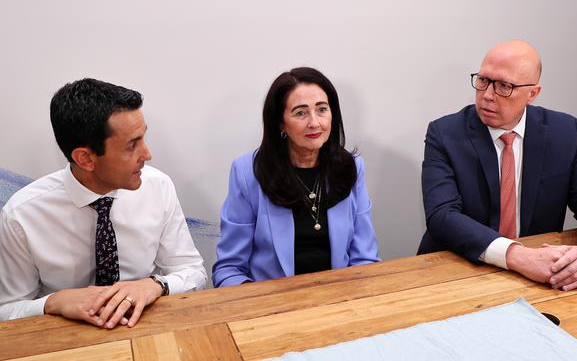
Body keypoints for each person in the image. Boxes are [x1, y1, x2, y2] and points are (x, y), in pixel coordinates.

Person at [418, 40, 577, 291]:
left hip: (538, 278)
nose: (487, 95)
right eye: (483, 80)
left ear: (532, 94)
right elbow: (442, 216)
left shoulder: (564, 132)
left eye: (504, 86)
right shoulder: (445, 133)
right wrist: (517, 256)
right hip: (457, 271)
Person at [0, 78, 207, 327]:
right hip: (65, 342)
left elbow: (193, 271)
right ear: (86, 158)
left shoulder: (157, 186)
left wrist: (154, 285)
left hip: (146, 330)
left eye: (143, 138)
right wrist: (54, 302)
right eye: (132, 145)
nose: (147, 154)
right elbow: (7, 310)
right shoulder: (22, 214)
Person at [213, 67, 380, 287]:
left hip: (341, 300)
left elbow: (365, 259)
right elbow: (229, 269)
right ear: (280, 122)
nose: (314, 122)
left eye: (322, 109)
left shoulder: (351, 167)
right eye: (300, 113)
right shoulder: (247, 172)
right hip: (272, 305)